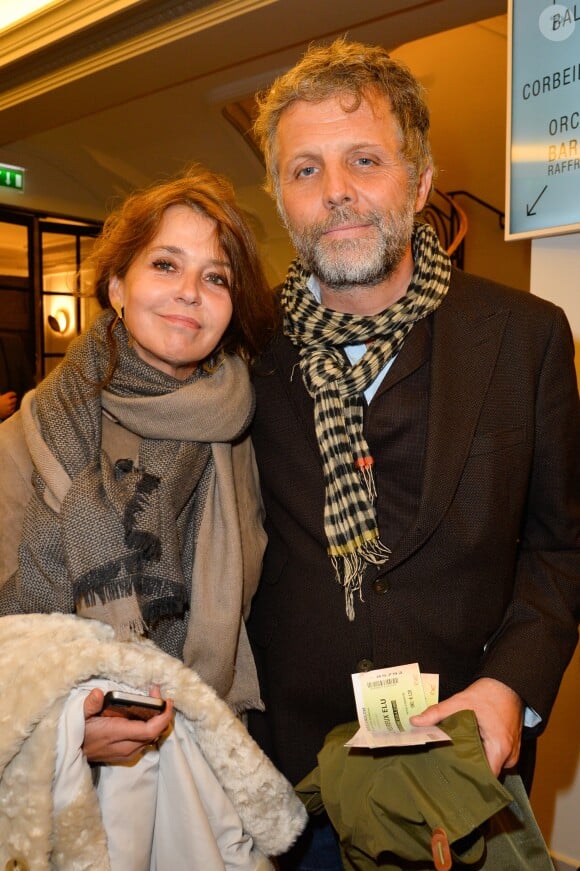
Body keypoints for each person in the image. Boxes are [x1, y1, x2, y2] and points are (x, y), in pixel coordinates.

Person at [245, 38, 580, 868]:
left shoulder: (527, 337)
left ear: (421, 181)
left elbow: (561, 545)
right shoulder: (241, 347)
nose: (338, 194)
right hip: (282, 777)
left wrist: (510, 690)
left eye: (365, 159)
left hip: (460, 770)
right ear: (281, 199)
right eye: (306, 169)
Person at [0, 164, 307, 866]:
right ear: (117, 286)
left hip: (204, 759)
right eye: (166, 263)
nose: (190, 294)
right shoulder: (30, 440)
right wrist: (70, 726)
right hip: (59, 790)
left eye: (217, 276)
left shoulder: (246, 436)